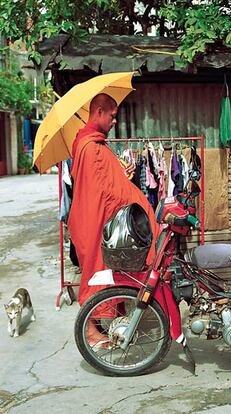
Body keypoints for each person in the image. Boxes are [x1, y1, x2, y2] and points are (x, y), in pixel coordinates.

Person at [67, 93, 159, 343]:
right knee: (98, 272)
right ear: (98, 112)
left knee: (112, 271)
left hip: (95, 217)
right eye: (113, 116)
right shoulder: (90, 147)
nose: (115, 121)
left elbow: (106, 182)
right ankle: (90, 330)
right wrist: (133, 203)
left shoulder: (91, 144)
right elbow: (104, 193)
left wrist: (122, 178)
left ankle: (113, 324)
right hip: (97, 220)